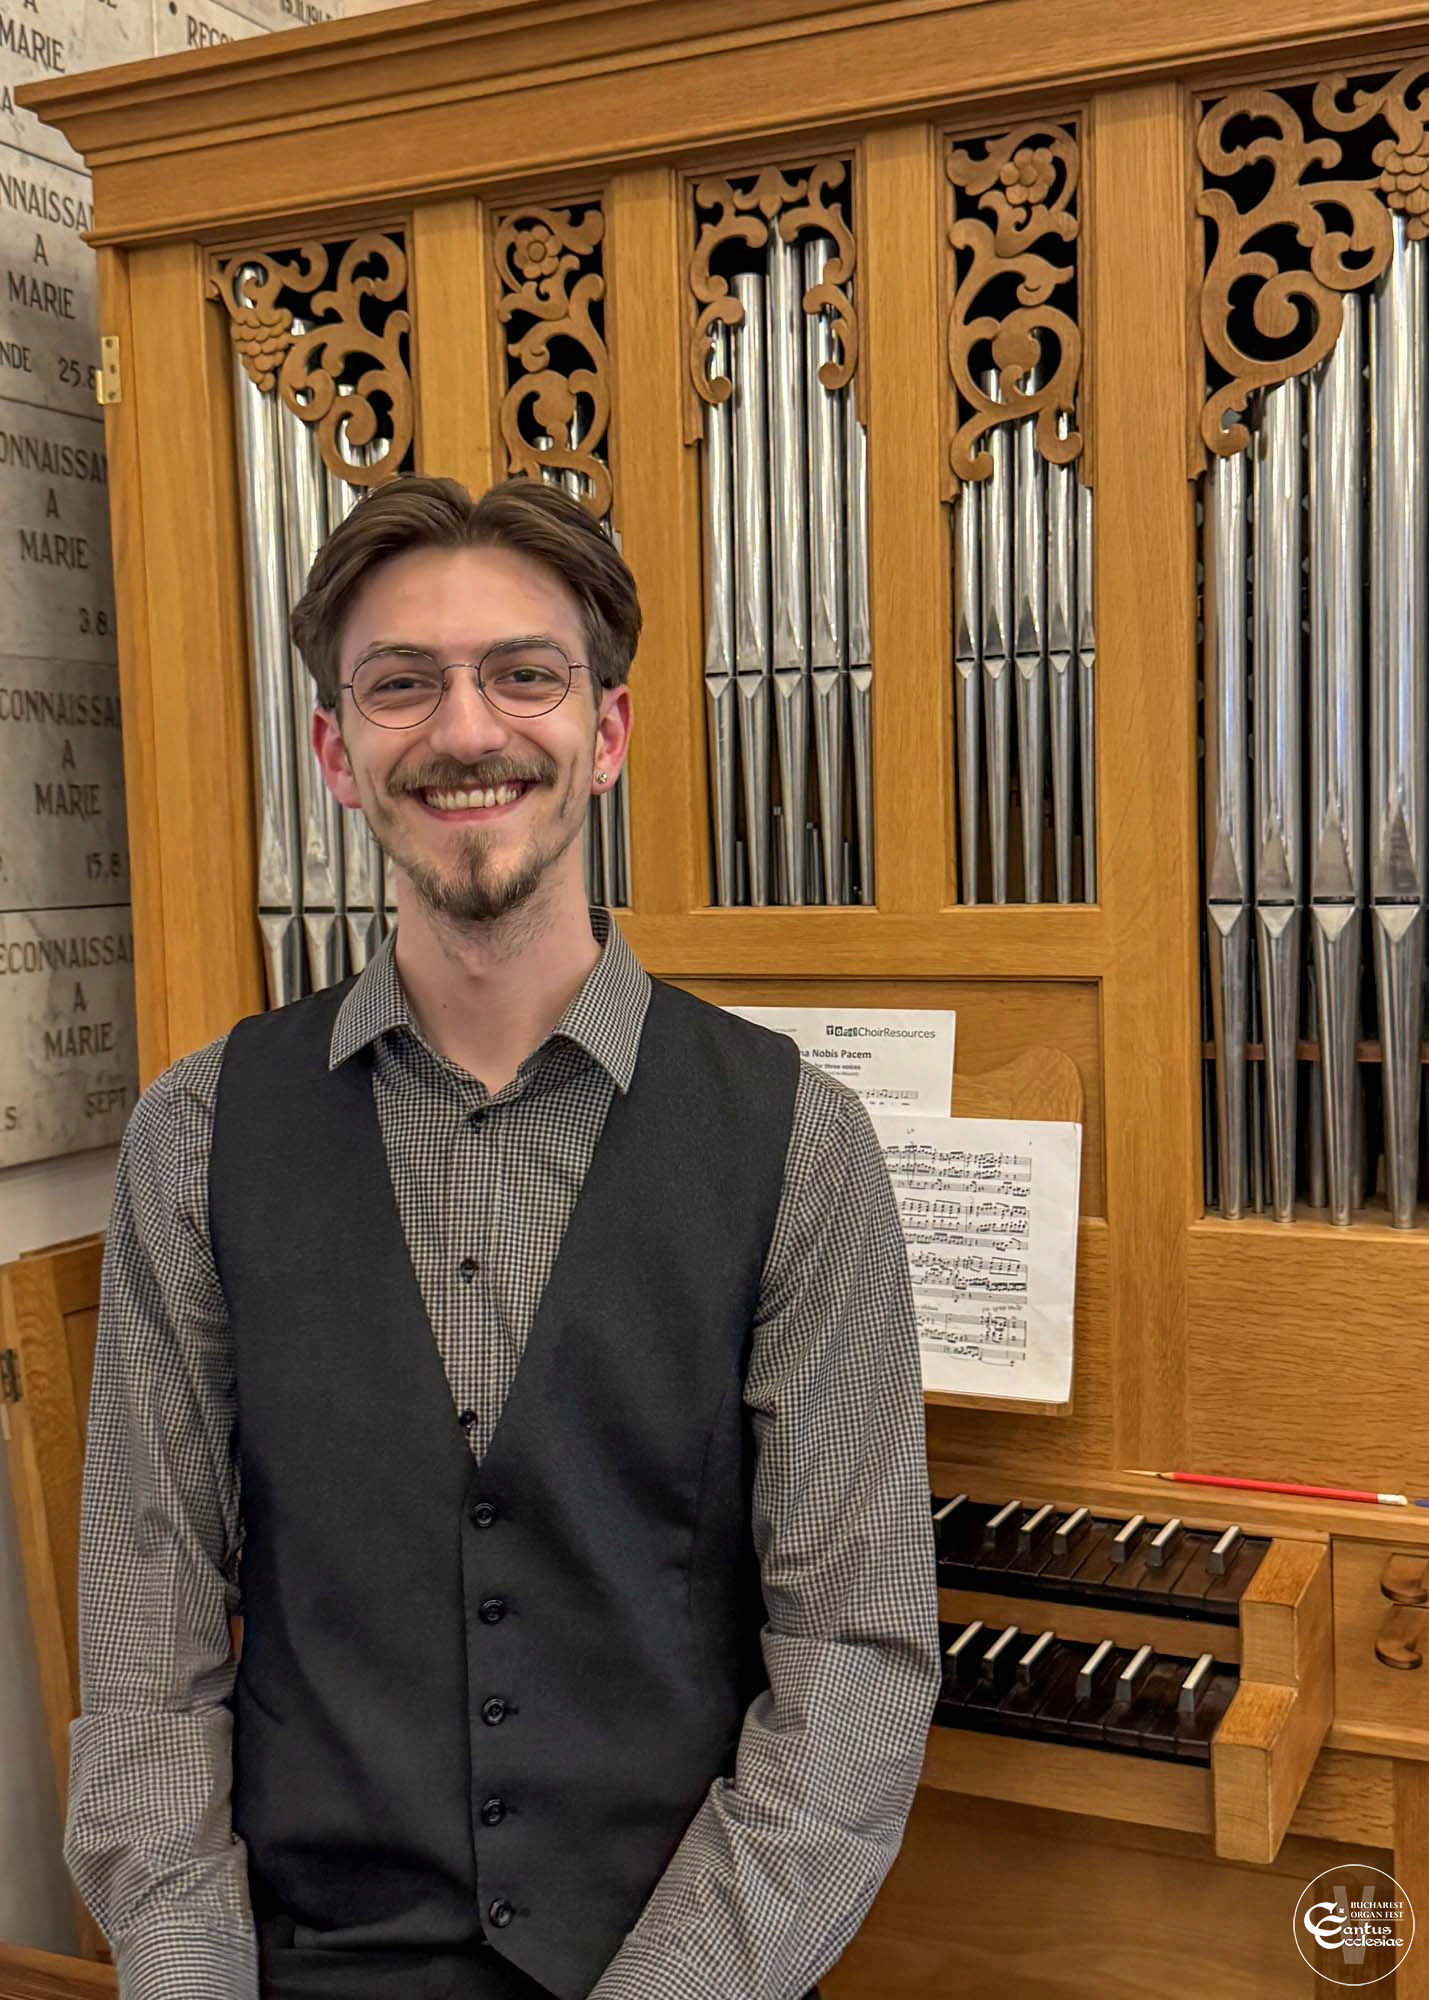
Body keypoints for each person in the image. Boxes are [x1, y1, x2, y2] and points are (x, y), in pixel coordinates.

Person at [65, 475, 941, 2000]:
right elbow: (149, 1666)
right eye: (402, 684)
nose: (466, 730)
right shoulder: (194, 1138)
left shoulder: (800, 1143)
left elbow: (856, 1664)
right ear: (337, 754)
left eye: (524, 674)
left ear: (605, 732)